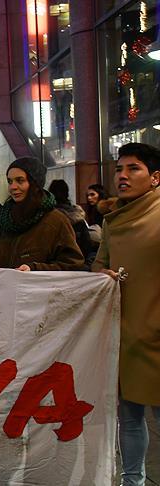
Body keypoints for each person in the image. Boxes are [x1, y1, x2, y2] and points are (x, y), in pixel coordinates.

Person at [91, 142, 160, 486]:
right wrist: (102, 276)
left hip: (157, 333)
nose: (123, 175)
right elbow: (98, 266)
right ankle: (132, 481)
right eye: (119, 169)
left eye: (134, 168)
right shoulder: (113, 219)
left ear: (155, 177)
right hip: (125, 334)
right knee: (130, 418)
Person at [0, 157, 84, 271]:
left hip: (39, 288)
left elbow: (73, 264)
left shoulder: (55, 221)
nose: (13, 187)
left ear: (35, 184)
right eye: (10, 181)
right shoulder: (5, 219)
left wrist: (35, 269)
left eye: (20, 180)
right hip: (6, 287)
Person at [48, 179, 93, 265]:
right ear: (67, 193)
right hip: (77, 266)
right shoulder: (77, 217)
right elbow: (87, 246)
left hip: (52, 268)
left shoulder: (47, 217)